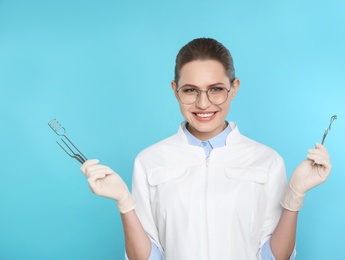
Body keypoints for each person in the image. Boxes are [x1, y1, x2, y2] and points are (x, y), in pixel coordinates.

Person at [80, 38, 332, 260]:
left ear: (233, 89)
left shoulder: (266, 160)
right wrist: (125, 203)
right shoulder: (149, 161)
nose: (203, 104)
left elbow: (274, 257)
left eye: (216, 90)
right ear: (175, 90)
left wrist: (294, 196)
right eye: (190, 90)